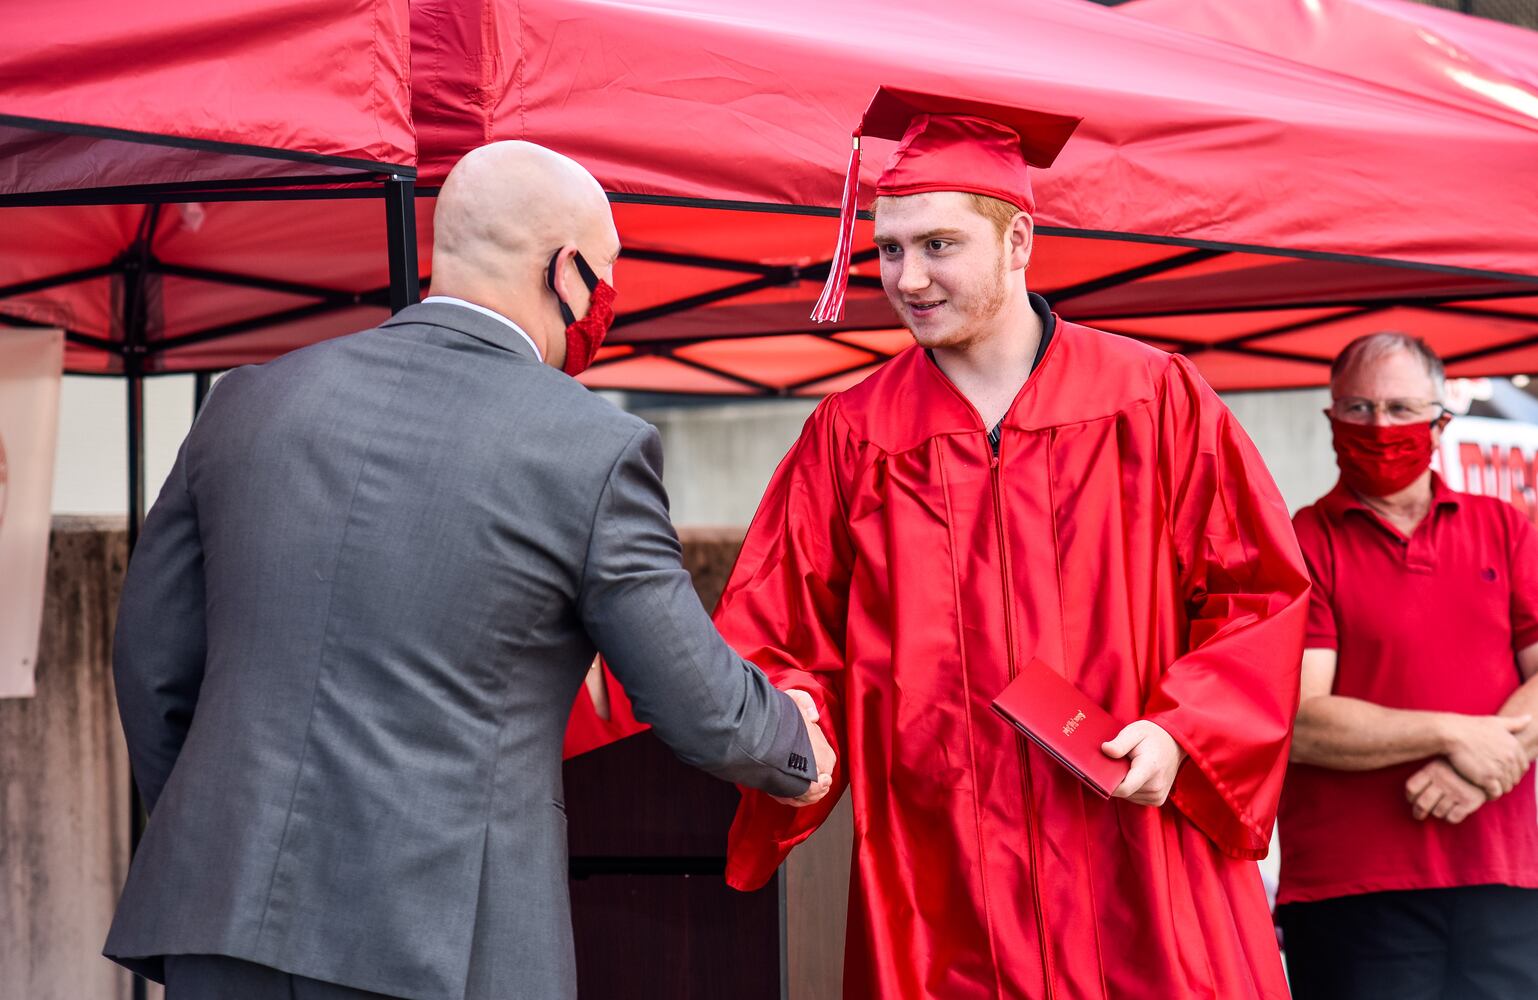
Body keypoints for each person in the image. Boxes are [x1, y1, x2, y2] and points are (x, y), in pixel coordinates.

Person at [102, 141, 834, 1000]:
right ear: (568, 274)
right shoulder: (590, 445)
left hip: (218, 915)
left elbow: (149, 664)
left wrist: (222, 827)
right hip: (442, 936)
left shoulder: (247, 401)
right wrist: (795, 742)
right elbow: (693, 699)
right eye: (606, 275)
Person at [715, 87, 1309, 999]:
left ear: (1019, 242)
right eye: (889, 250)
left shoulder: (1153, 401)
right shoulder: (852, 437)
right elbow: (778, 631)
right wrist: (793, 715)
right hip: (939, 880)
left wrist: (1187, 736)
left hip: (1136, 861)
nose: (908, 278)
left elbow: (1258, 596)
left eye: (939, 245)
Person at [1278, 332, 1538, 1000]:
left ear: (1439, 421)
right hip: (1351, 891)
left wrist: (1474, 773)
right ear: (1332, 418)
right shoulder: (1300, 542)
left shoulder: (1505, 530)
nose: (1379, 427)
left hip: (1502, 882)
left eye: (1399, 409)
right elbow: (1303, 721)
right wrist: (1454, 733)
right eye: (1357, 409)